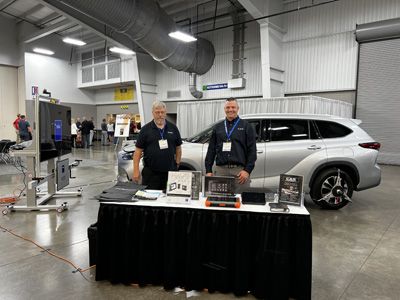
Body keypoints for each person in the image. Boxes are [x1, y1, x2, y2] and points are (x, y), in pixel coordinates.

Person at [205, 98, 257, 192]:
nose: (230, 110)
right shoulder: (218, 127)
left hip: (240, 172)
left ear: (238, 108)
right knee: (219, 200)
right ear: (224, 109)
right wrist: (208, 170)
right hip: (221, 171)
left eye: (233, 107)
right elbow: (211, 150)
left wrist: (247, 170)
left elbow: (252, 151)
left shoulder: (246, 126)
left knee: (241, 201)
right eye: (228, 107)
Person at [133, 101, 182, 190]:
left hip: (170, 173)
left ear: (165, 113)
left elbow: (178, 147)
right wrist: (136, 170)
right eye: (157, 112)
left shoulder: (173, 128)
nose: (160, 115)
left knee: (169, 199)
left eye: (162, 112)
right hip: (151, 174)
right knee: (150, 200)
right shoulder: (145, 130)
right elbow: (138, 151)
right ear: (153, 113)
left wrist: (177, 163)